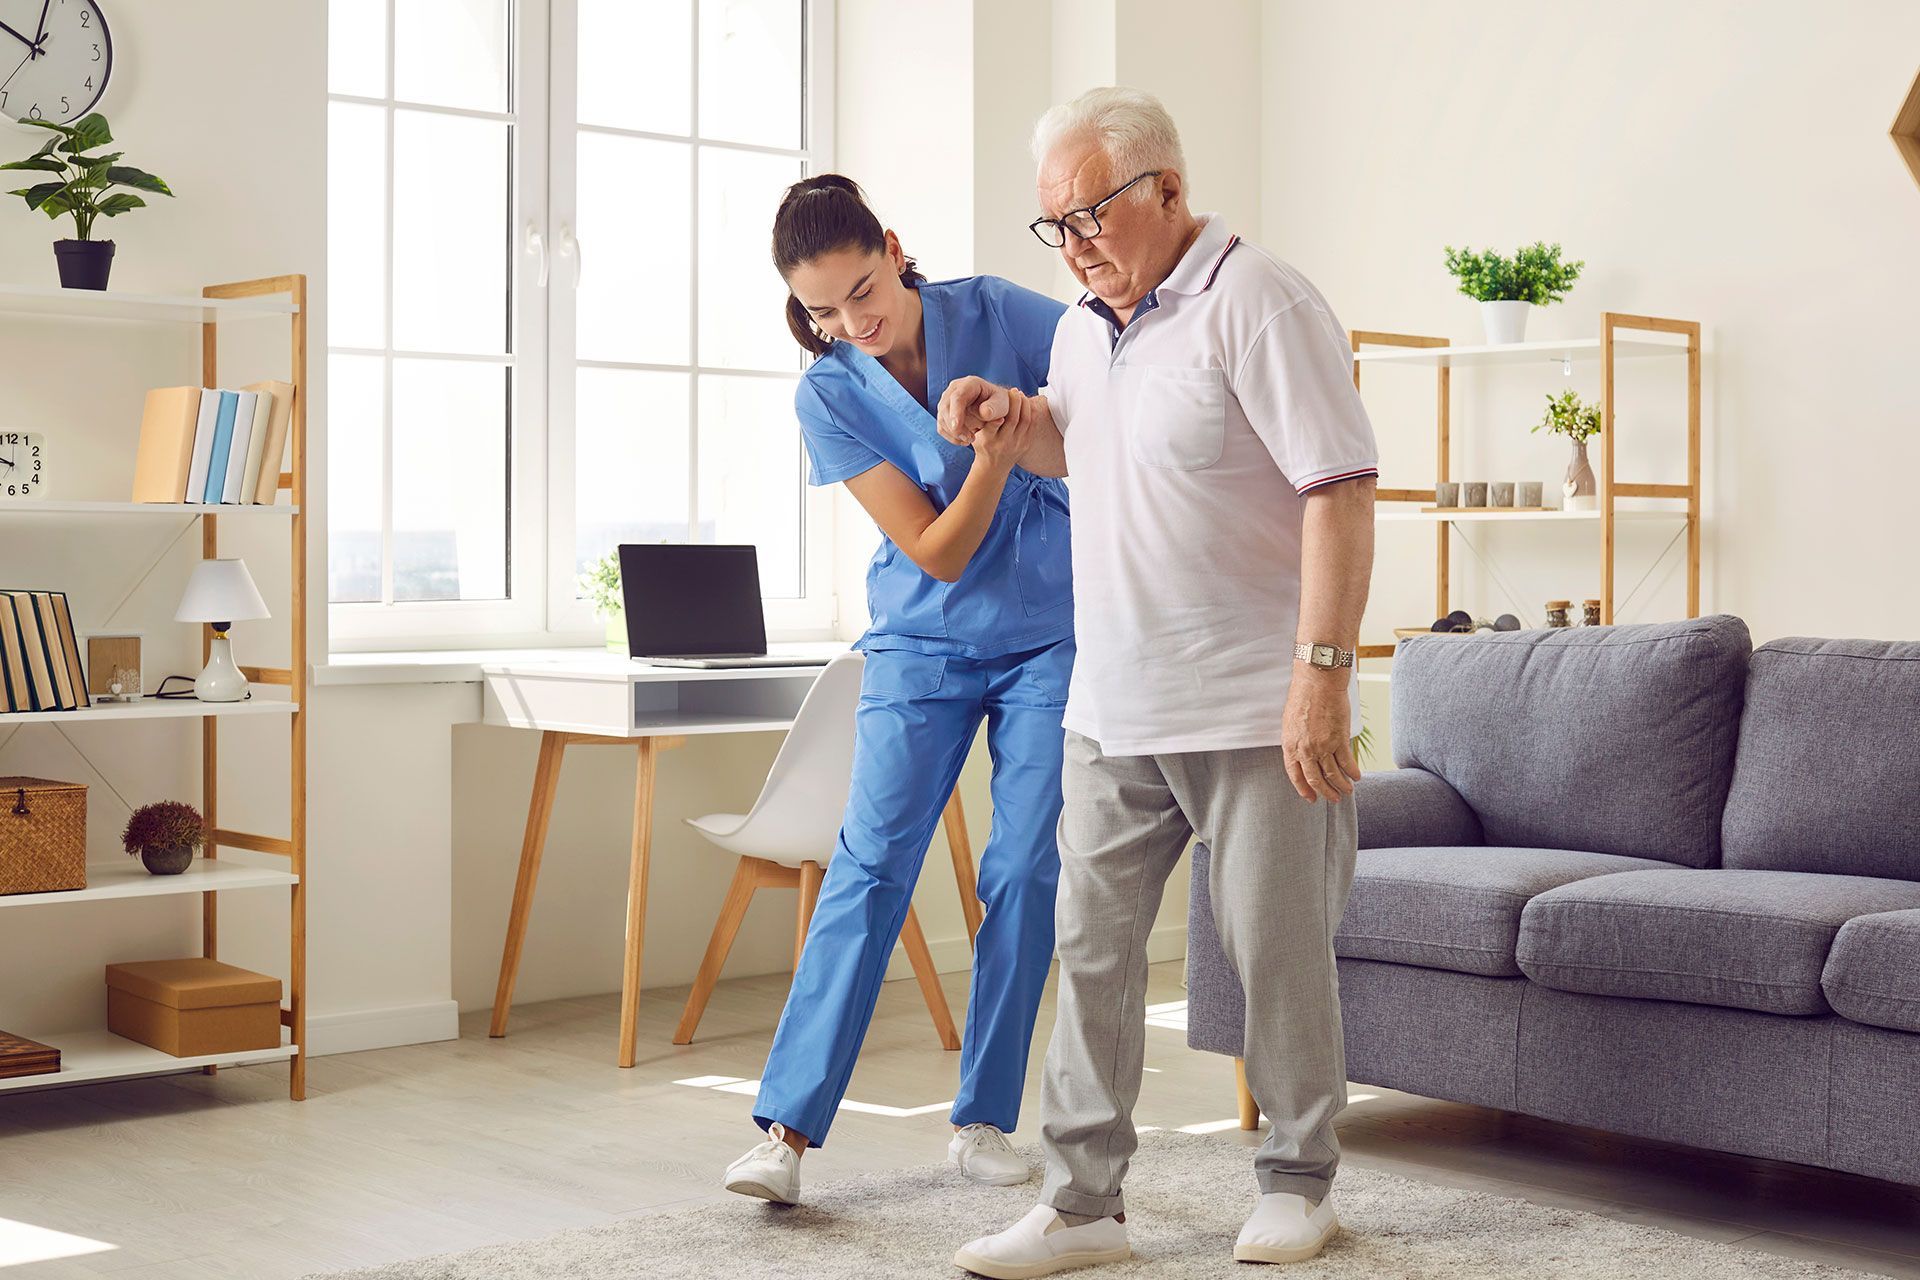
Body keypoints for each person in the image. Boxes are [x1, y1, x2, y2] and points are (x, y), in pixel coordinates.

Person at [940, 89, 1378, 1275]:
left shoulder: (1261, 299)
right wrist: (1012, 419)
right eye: (1054, 223)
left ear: (1167, 192)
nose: (1074, 242)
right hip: (1115, 701)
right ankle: (1084, 1204)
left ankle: (1300, 1178)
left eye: (1091, 213)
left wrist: (1321, 679)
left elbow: (1338, 489)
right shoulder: (1083, 329)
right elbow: (1089, 448)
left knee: (1274, 947)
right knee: (1090, 948)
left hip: (1253, 699)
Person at [722, 174, 1076, 1209]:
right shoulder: (829, 390)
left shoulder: (1003, 311)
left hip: (1051, 637)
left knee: (1021, 868)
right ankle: (785, 1131)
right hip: (922, 642)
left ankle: (982, 1120)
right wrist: (998, 459)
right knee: (870, 866)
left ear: (893, 245)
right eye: (824, 310)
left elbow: (1117, 366)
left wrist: (1026, 422)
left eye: (863, 290)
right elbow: (935, 548)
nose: (853, 322)